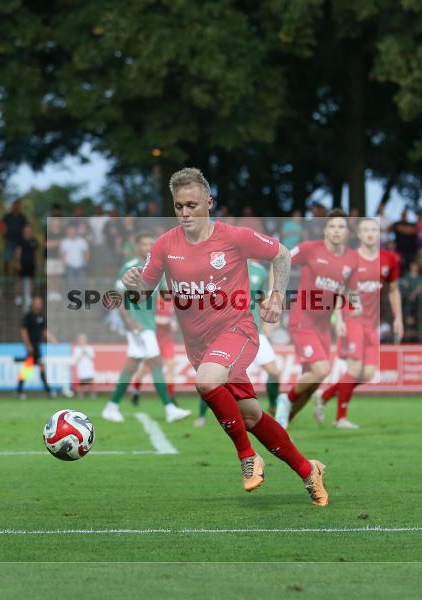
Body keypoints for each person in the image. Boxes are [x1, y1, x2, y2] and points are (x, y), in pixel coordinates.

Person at [122, 167, 328, 506]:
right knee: (250, 416)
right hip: (199, 346)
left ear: (208, 202)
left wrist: (276, 296)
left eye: (192, 205)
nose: (185, 213)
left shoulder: (233, 237)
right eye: (179, 206)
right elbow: (143, 291)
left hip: (238, 331)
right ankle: (309, 471)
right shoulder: (164, 245)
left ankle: (248, 457)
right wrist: (134, 284)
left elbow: (281, 253)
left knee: (206, 382)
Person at [314, 218, 402, 428]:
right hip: (352, 318)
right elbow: (340, 290)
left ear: (379, 234)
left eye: (374, 230)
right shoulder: (350, 259)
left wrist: (398, 317)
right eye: (366, 230)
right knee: (354, 368)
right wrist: (339, 318)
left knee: (369, 373)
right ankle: (340, 418)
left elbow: (393, 290)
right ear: (359, 235)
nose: (370, 234)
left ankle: (325, 395)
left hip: (372, 323)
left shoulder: (389, 259)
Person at [273, 209, 357, 429]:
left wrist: (341, 319)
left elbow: (343, 291)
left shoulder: (351, 259)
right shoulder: (310, 249)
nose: (336, 231)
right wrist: (275, 295)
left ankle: (283, 424)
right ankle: (285, 399)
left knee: (312, 383)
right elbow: (281, 259)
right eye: (332, 226)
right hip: (303, 319)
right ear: (325, 230)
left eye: (341, 227)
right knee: (321, 369)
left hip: (323, 327)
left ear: (347, 232)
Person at [101, 232, 192, 424]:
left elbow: (165, 294)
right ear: (137, 247)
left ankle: (111, 407)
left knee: (133, 365)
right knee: (157, 363)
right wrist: (130, 322)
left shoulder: (157, 268)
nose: (148, 247)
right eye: (144, 244)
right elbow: (117, 296)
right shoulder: (130, 267)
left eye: (151, 243)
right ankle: (170, 409)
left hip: (148, 323)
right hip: (138, 325)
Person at [196, 259, 281, 426]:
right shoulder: (220, 266)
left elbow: (260, 299)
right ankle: (201, 415)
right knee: (214, 376)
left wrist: (268, 317)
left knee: (274, 372)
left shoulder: (259, 271)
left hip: (254, 331)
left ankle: (273, 406)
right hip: (228, 333)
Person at [16, 296, 57, 399]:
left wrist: (52, 339)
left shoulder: (42, 317)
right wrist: (28, 345)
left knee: (35, 367)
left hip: (37, 347)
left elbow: (44, 331)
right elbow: (23, 331)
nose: (38, 305)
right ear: (33, 304)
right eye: (36, 303)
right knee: (30, 368)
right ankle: (47, 391)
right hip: (31, 347)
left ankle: (20, 391)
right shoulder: (28, 316)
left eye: (39, 303)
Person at [72, 334, 96, 399]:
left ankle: (92, 394)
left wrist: (86, 352)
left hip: (89, 367)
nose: (82, 341)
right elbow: (76, 360)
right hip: (81, 368)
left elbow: (92, 357)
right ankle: (81, 394)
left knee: (91, 380)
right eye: (80, 339)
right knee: (82, 382)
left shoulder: (89, 348)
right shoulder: (77, 349)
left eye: (83, 339)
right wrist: (81, 354)